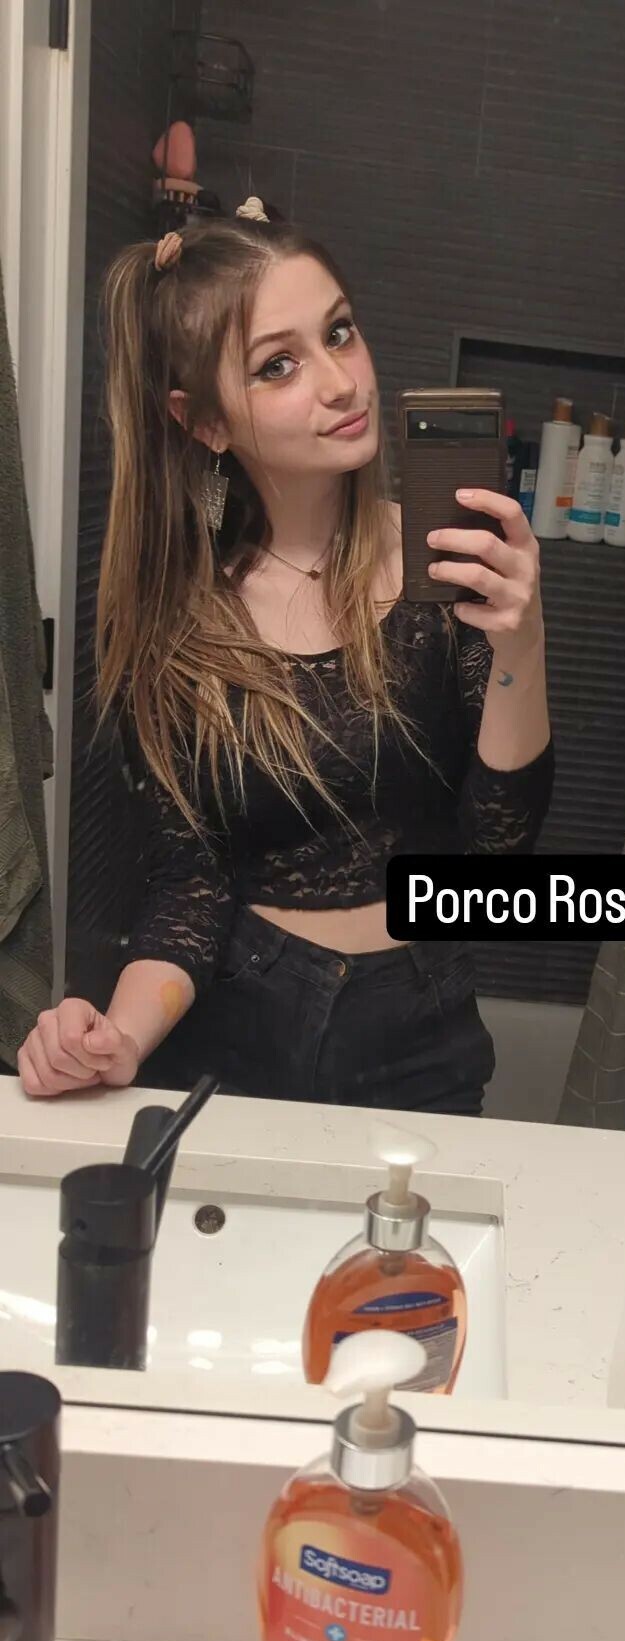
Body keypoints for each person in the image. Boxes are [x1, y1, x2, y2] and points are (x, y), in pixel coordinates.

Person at [17, 208, 553, 1113]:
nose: (343, 383)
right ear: (203, 421)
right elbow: (189, 885)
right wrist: (117, 1039)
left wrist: (522, 643)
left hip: (419, 1021)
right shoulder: (178, 623)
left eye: (339, 333)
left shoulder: (450, 570)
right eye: (279, 365)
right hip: (238, 1018)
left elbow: (498, 854)